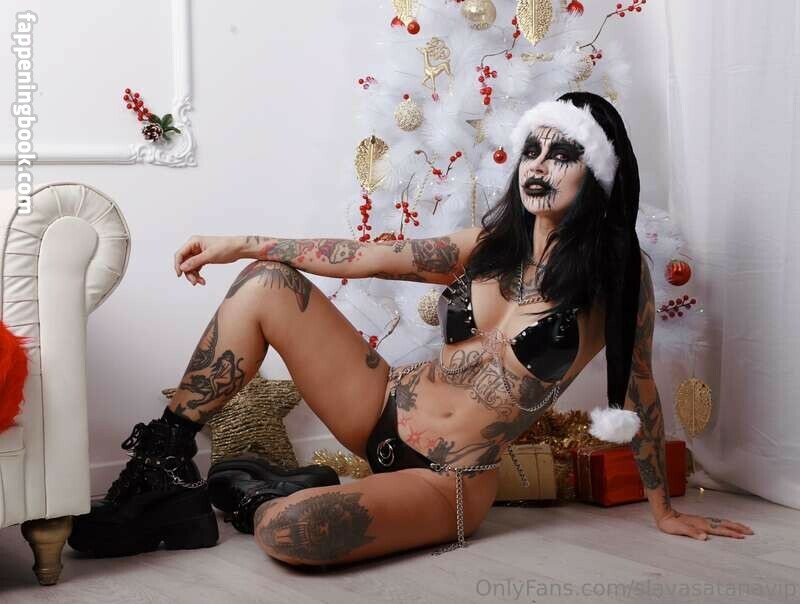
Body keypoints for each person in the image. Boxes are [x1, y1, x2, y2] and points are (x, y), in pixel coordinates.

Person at [68, 91, 753, 567]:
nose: (539, 165)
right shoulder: (489, 245)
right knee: (265, 284)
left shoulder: (615, 280)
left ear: (597, 173)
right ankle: (161, 472)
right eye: (532, 148)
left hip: (448, 480)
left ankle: (266, 494)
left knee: (289, 533)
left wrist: (663, 510)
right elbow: (369, 256)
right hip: (381, 407)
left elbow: (639, 391)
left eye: (562, 152)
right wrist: (243, 242)